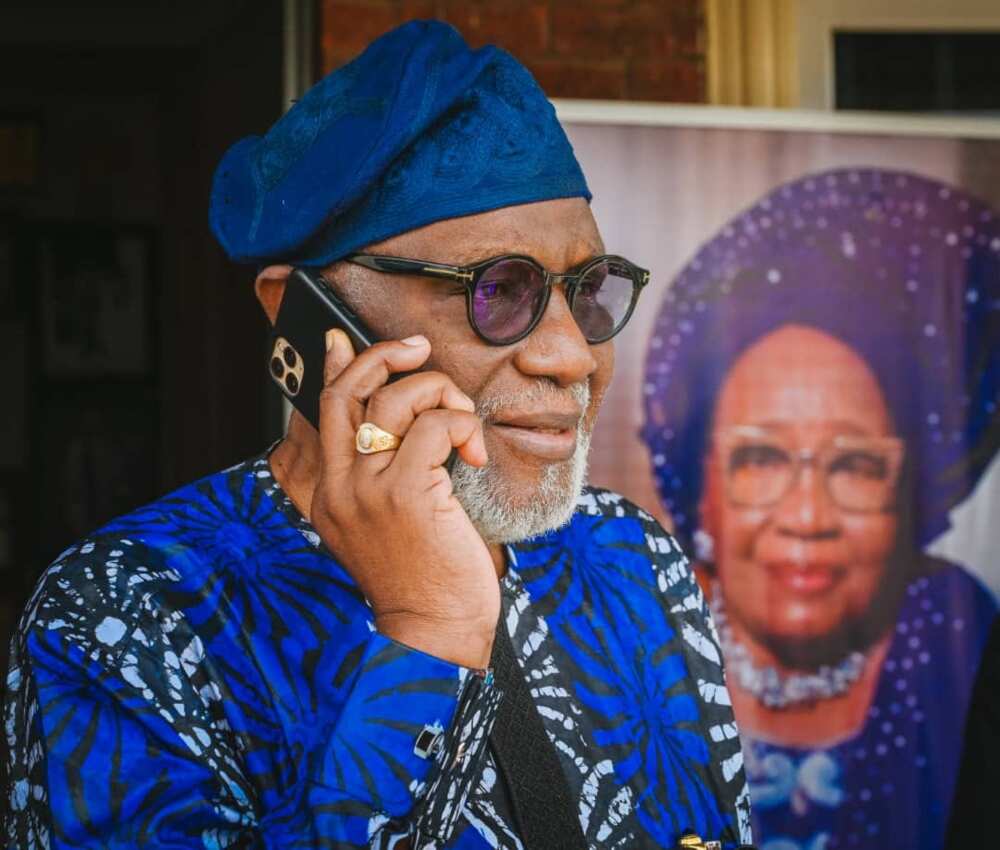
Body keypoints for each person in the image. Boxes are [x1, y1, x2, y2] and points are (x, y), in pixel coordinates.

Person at [3, 21, 753, 850]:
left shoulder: (629, 554)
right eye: (499, 291)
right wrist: (428, 629)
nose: (573, 355)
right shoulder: (122, 614)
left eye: (589, 289)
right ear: (305, 315)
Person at [641, 168, 1000, 850]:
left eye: (857, 466)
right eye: (762, 460)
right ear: (702, 486)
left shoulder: (960, 625)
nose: (807, 517)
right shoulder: (637, 628)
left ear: (908, 495)